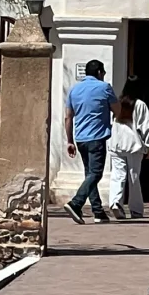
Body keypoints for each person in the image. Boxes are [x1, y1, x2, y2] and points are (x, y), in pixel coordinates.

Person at [63, 60, 117, 224]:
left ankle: (98, 212)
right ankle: (76, 203)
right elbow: (118, 109)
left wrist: (69, 141)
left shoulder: (74, 89)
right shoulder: (104, 88)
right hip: (97, 137)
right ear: (100, 72)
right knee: (96, 173)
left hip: (80, 138)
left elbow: (68, 117)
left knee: (90, 174)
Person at [107, 93, 148, 220]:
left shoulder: (116, 103)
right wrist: (148, 145)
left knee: (117, 174)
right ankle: (135, 209)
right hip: (133, 144)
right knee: (133, 176)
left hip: (116, 142)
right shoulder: (140, 104)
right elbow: (146, 127)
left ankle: (115, 202)